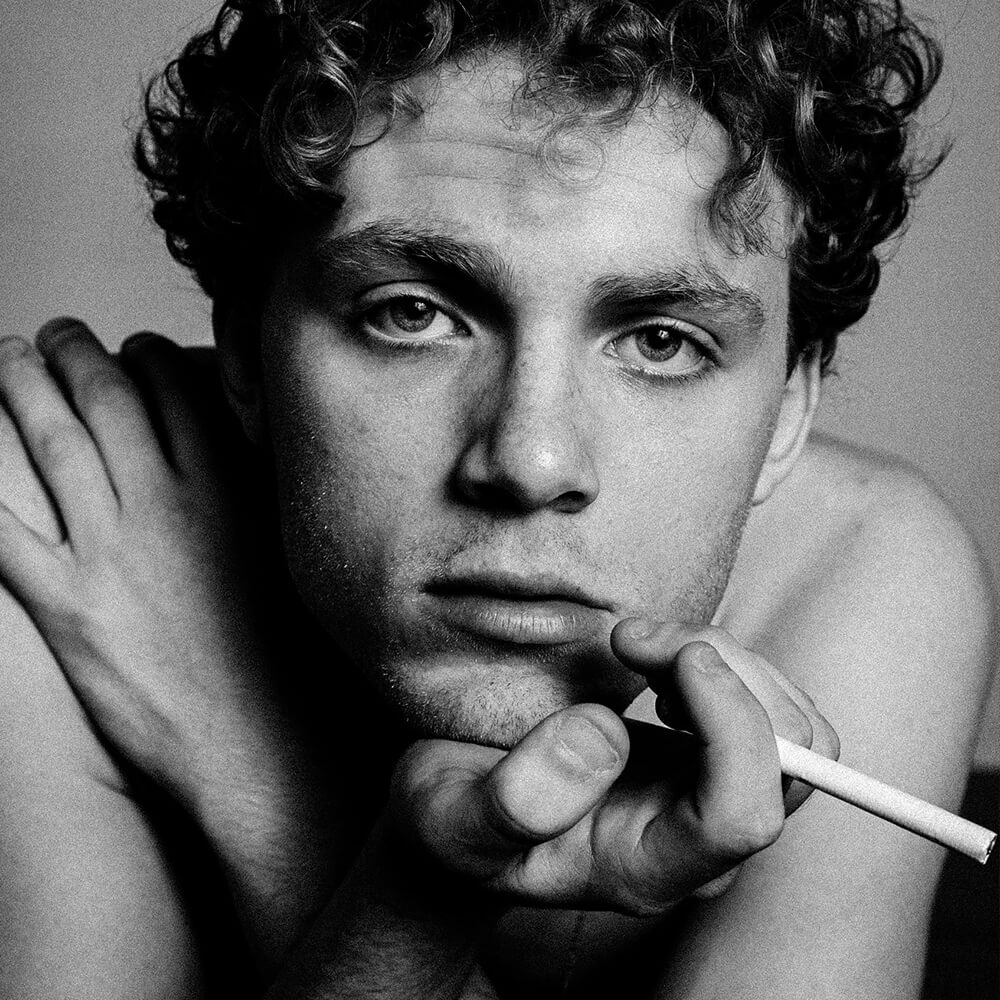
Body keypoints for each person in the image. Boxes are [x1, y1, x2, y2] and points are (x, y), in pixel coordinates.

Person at [0, 1, 994, 997]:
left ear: (787, 410)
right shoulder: (64, 527)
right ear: (248, 356)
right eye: (411, 313)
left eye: (660, 341)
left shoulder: (867, 571)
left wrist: (248, 772)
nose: (531, 460)